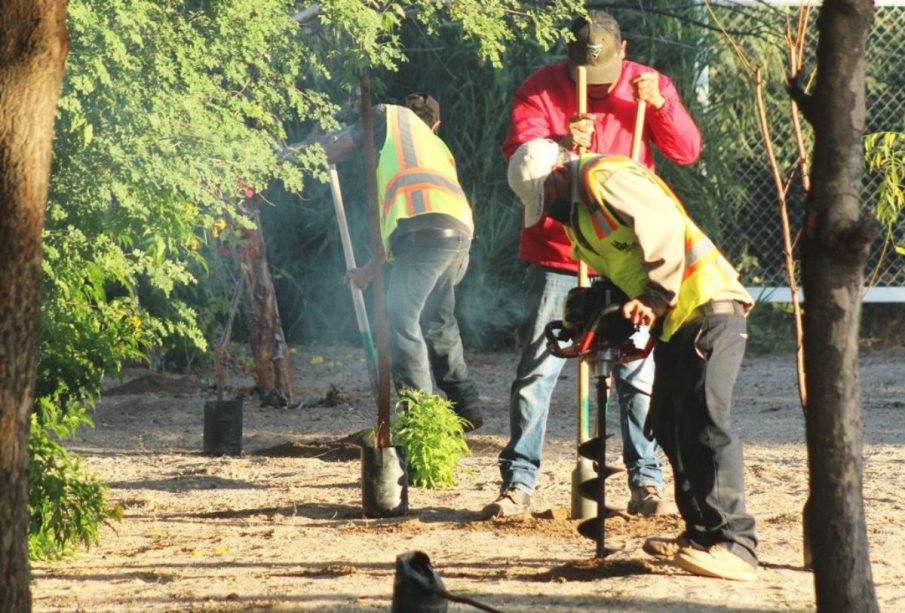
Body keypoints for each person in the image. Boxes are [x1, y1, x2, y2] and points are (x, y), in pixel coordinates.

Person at [507, 137, 758, 581]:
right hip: (675, 322)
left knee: (705, 424)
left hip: (707, 305)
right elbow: (624, 272)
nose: (547, 211)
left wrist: (655, 296)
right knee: (667, 421)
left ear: (559, 176)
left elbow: (660, 224)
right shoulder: (579, 220)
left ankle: (735, 545)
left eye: (545, 198)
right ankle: (700, 534)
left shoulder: (606, 176)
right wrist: (613, 314)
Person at [485, 9, 701, 517]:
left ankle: (646, 482)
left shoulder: (648, 85)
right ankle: (519, 483)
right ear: (570, 60)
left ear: (623, 51)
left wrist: (663, 106)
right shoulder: (540, 88)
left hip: (627, 253)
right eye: (585, 74)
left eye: (603, 74)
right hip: (561, 250)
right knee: (539, 369)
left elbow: (688, 152)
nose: (596, 85)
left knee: (636, 370)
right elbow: (519, 159)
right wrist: (560, 143)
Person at [319, 93, 484, 431]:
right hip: (456, 239)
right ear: (436, 124)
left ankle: (421, 417)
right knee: (438, 322)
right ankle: (465, 405)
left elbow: (337, 147)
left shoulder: (393, 118)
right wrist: (367, 272)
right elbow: (392, 228)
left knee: (399, 320)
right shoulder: (434, 150)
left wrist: (319, 150)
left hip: (425, 237)